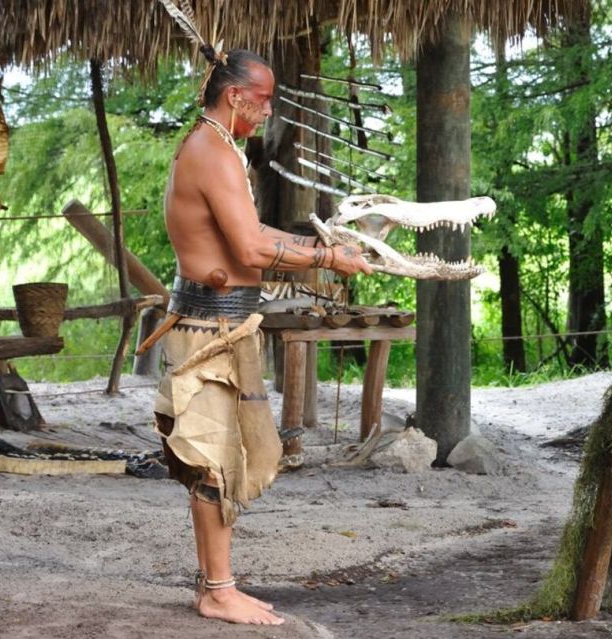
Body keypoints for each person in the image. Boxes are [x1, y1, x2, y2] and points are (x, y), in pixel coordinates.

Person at [155, 45, 372, 626]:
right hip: (208, 330)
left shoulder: (219, 147)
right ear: (234, 96)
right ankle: (218, 590)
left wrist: (322, 247)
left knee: (223, 460)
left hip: (223, 324)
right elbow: (251, 251)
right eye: (265, 99)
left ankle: (217, 585)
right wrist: (326, 258)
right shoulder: (211, 151)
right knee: (213, 463)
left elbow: (252, 232)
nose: (269, 110)